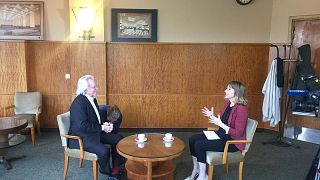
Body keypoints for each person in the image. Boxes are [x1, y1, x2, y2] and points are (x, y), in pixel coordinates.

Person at [185, 81, 248, 180]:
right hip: (221, 135)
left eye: (229, 89)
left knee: (199, 145)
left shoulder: (241, 110)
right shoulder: (228, 105)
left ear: (237, 92)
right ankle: (195, 170)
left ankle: (203, 176)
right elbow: (222, 123)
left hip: (231, 142)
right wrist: (212, 116)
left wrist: (220, 124)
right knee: (192, 139)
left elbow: (238, 133)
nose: (225, 90)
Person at [68, 75, 123, 179]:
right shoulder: (78, 104)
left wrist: (104, 124)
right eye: (94, 87)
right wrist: (102, 128)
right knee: (104, 151)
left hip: (94, 133)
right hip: (81, 137)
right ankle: (106, 171)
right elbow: (82, 126)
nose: (96, 88)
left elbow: (95, 119)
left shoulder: (92, 99)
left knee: (119, 139)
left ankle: (116, 167)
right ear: (85, 89)